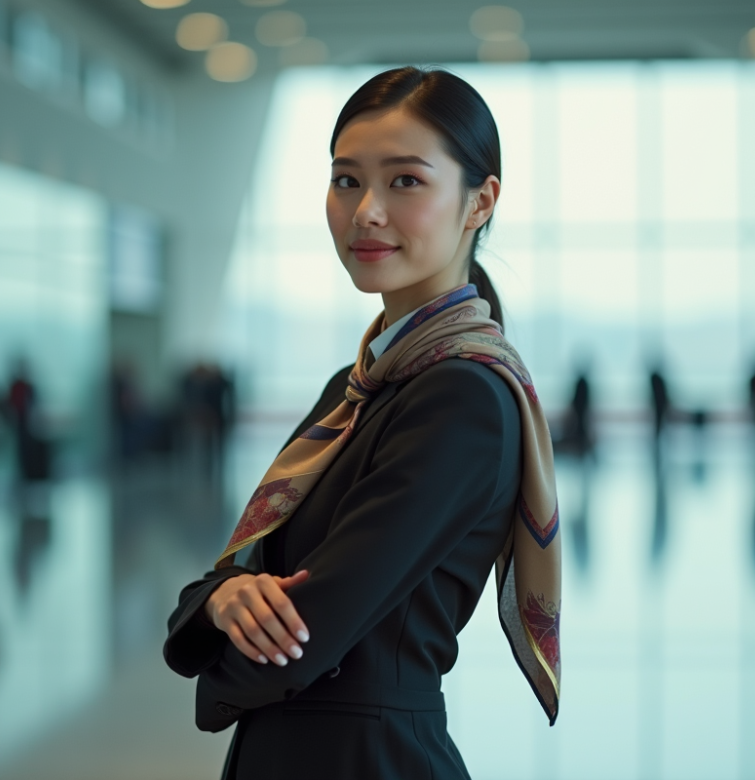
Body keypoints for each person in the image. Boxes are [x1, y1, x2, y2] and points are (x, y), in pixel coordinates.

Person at [163, 67, 561, 779]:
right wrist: (223, 599)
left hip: (368, 759)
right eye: (346, 180)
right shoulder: (354, 388)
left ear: (480, 200)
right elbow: (237, 572)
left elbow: (305, 634)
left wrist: (217, 646)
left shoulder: (461, 397)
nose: (365, 210)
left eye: (405, 181)